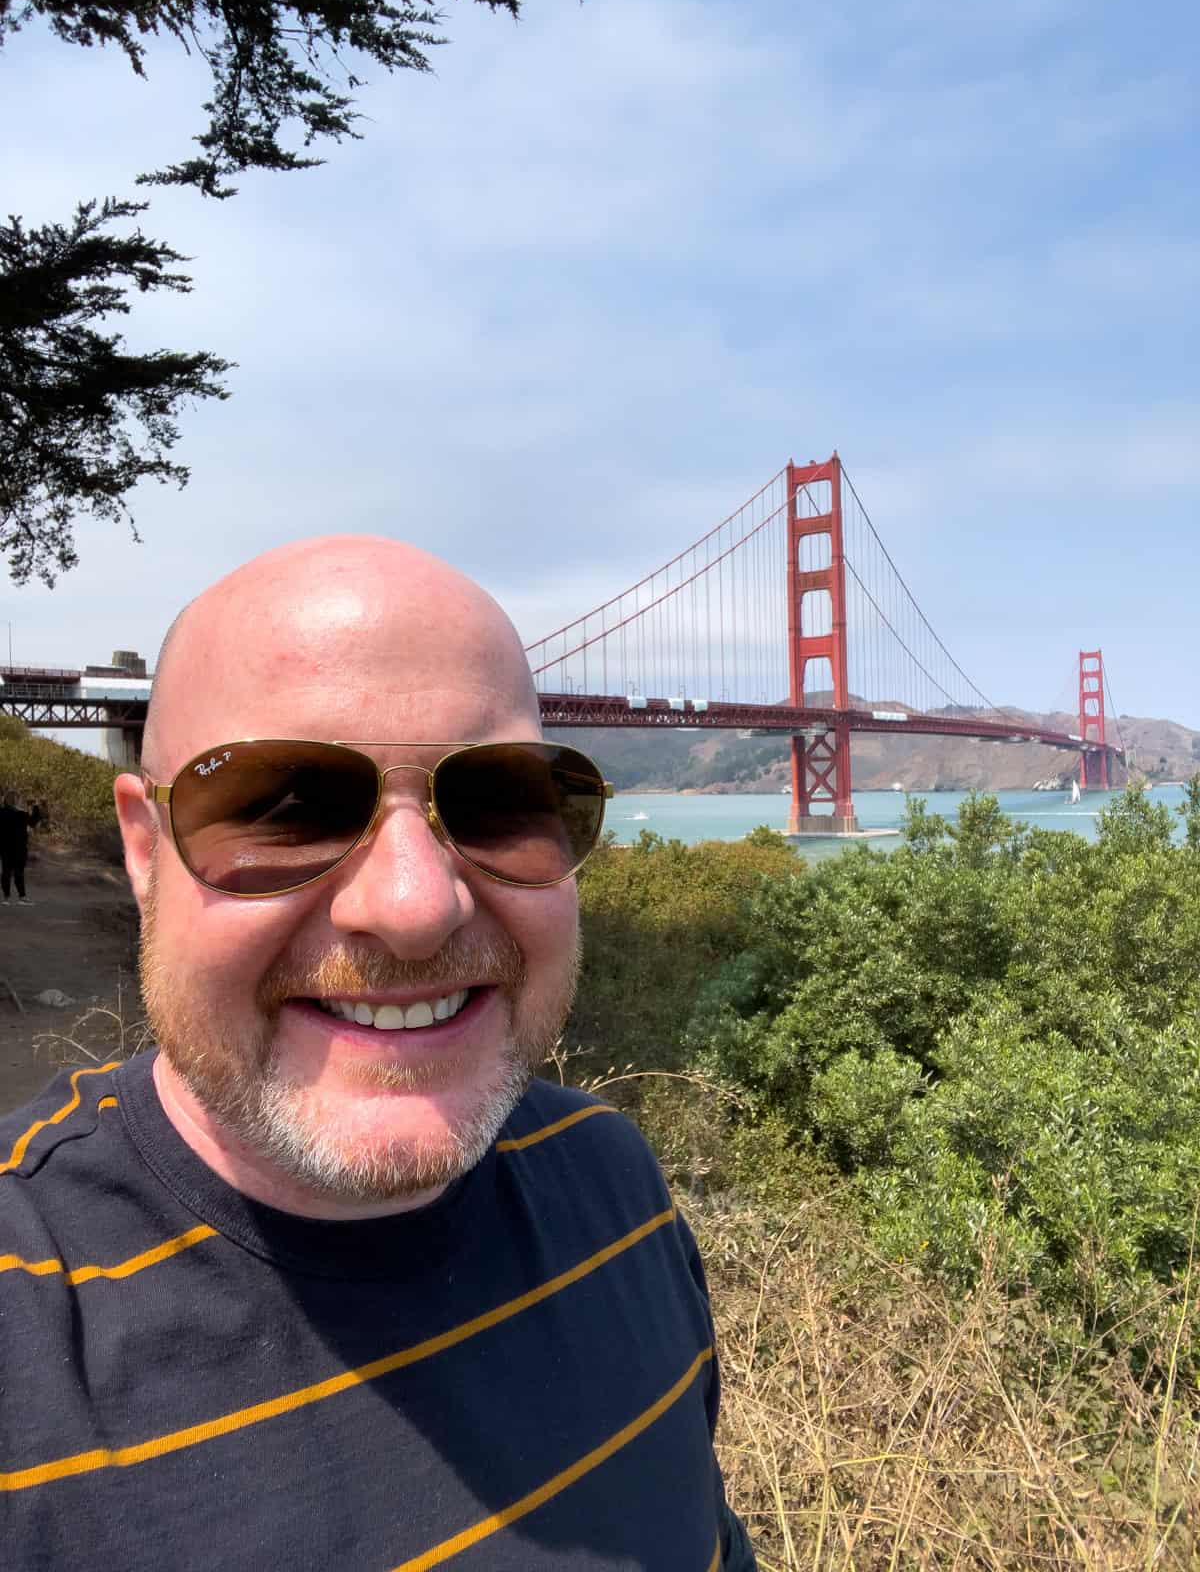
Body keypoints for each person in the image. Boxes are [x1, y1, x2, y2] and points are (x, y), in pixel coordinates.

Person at [0, 538, 757, 1570]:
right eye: (285, 807)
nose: (415, 905)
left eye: (502, 800)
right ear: (145, 851)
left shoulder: (617, 1186)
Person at [0, 788, 42, 903]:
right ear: (16, 800)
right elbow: (33, 823)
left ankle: (6, 897)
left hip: (5, 847)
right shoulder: (22, 814)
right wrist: (36, 807)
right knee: (19, 872)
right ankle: (22, 896)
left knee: (6, 872)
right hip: (19, 848)